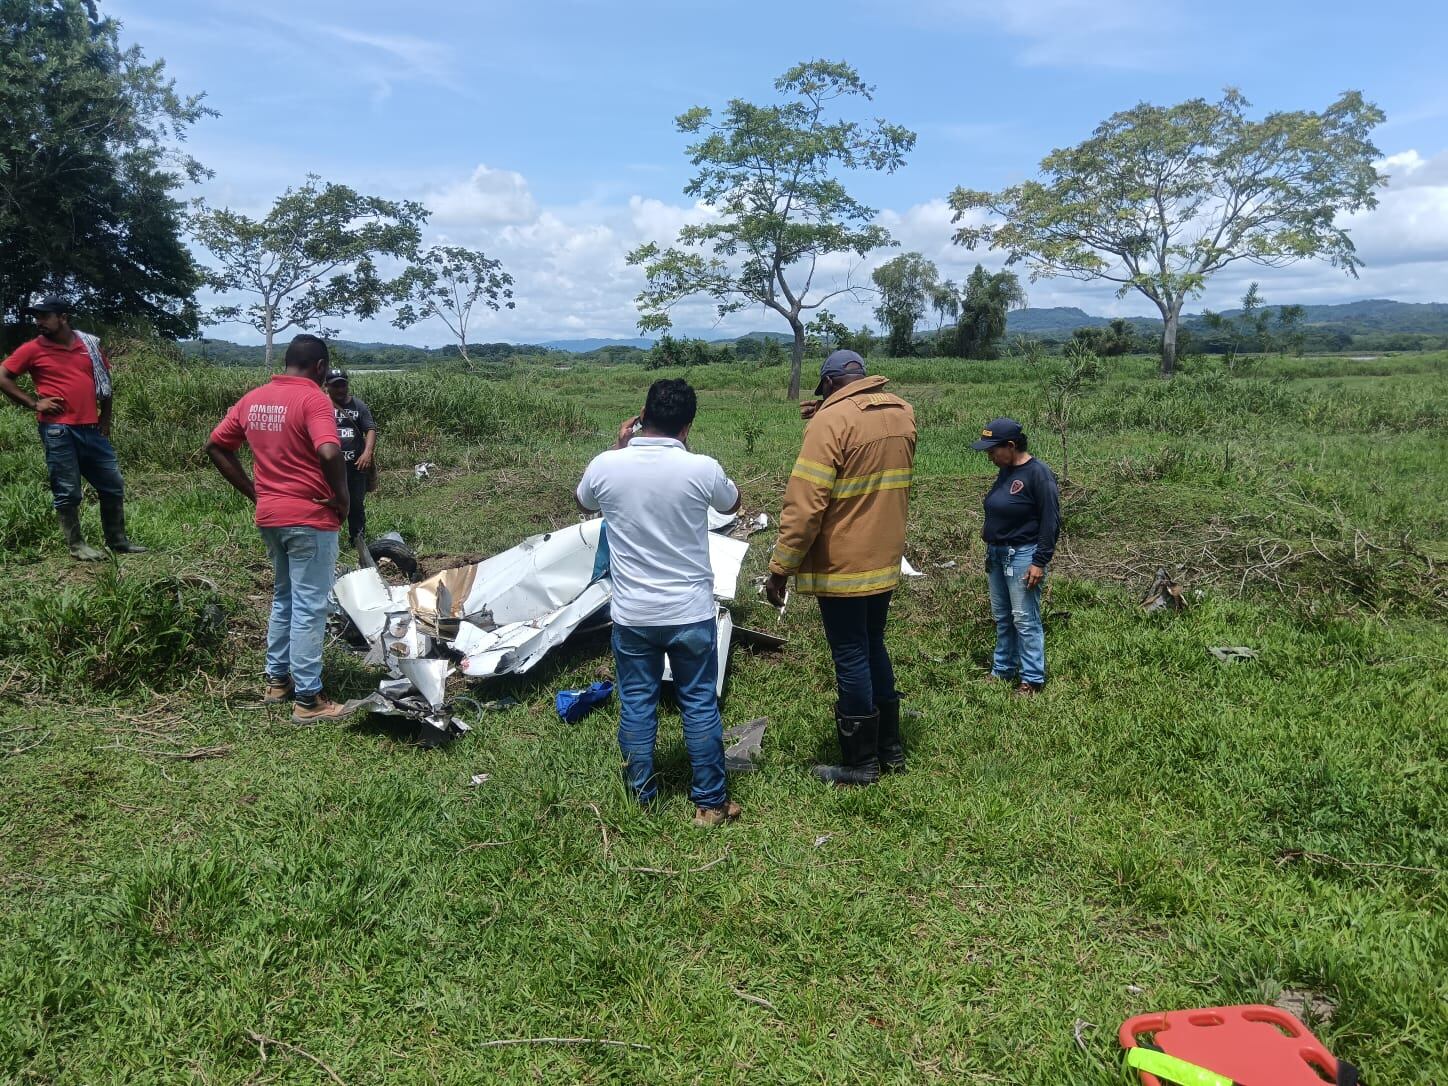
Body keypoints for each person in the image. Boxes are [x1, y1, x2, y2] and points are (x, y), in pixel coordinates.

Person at [575, 378, 744, 827]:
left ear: (640, 417)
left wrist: (618, 445)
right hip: (689, 611)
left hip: (633, 615)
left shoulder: (607, 465)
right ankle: (710, 802)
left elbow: (584, 501)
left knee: (636, 701)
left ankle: (641, 798)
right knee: (699, 703)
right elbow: (732, 504)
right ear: (687, 426)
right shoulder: (701, 468)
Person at [765, 350, 917, 786]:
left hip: (843, 566)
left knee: (850, 654)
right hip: (884, 558)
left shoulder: (830, 424)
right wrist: (829, 414)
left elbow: (805, 507)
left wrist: (781, 569)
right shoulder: (902, 412)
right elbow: (863, 439)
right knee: (874, 646)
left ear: (830, 383)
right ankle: (891, 750)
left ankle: (861, 764)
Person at [205, 334, 353, 723]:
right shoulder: (313, 399)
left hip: (271, 517)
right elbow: (329, 450)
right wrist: (342, 498)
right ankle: (309, 699)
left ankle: (277, 680)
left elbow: (217, 446)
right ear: (320, 367)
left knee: (285, 597)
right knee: (310, 605)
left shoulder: (253, 398)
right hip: (310, 518)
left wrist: (255, 493)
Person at [0, 295, 146, 560]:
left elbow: (105, 382)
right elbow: (3, 375)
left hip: (91, 428)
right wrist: (34, 403)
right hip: (58, 430)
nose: (39, 322)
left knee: (112, 484)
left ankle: (118, 541)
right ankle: (77, 545)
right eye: (37, 317)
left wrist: (106, 418)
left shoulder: (88, 346)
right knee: (68, 489)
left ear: (63, 318)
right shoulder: (33, 349)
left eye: (44, 316)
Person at [972, 418, 1060, 695]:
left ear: (1010, 446)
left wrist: (1039, 561)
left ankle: (1032, 678)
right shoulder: (1006, 471)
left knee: (1024, 618)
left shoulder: (1039, 474)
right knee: (1003, 616)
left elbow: (1050, 521)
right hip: (997, 554)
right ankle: (1003, 669)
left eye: (992, 450)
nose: (989, 456)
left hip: (1022, 555)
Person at [324, 369, 377, 548]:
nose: (340, 389)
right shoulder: (321, 405)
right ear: (327, 386)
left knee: (356, 504)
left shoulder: (358, 405)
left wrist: (367, 453)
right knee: (329, 503)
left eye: (343, 384)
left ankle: (358, 541)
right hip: (328, 468)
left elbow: (370, 429)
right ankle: (330, 542)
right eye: (335, 385)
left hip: (355, 466)